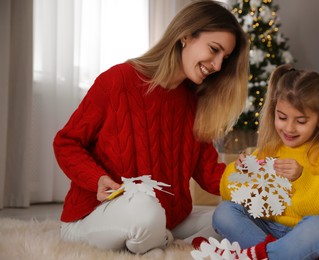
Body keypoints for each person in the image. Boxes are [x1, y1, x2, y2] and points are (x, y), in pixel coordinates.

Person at [53, 0, 249, 254]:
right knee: (145, 208)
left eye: (225, 57)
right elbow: (66, 142)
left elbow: (209, 171)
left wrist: (246, 176)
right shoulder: (118, 80)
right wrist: (97, 178)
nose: (218, 65)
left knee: (228, 217)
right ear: (186, 36)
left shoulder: (194, 102)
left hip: (166, 220)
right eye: (214, 49)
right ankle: (160, 242)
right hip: (93, 218)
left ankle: (155, 243)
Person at [193, 64, 319, 260]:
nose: (289, 128)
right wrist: (238, 173)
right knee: (224, 212)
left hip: (310, 236)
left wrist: (302, 179)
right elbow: (234, 196)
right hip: (269, 233)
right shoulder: (269, 149)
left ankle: (254, 255)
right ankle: (277, 254)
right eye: (282, 117)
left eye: (301, 121)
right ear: (274, 112)